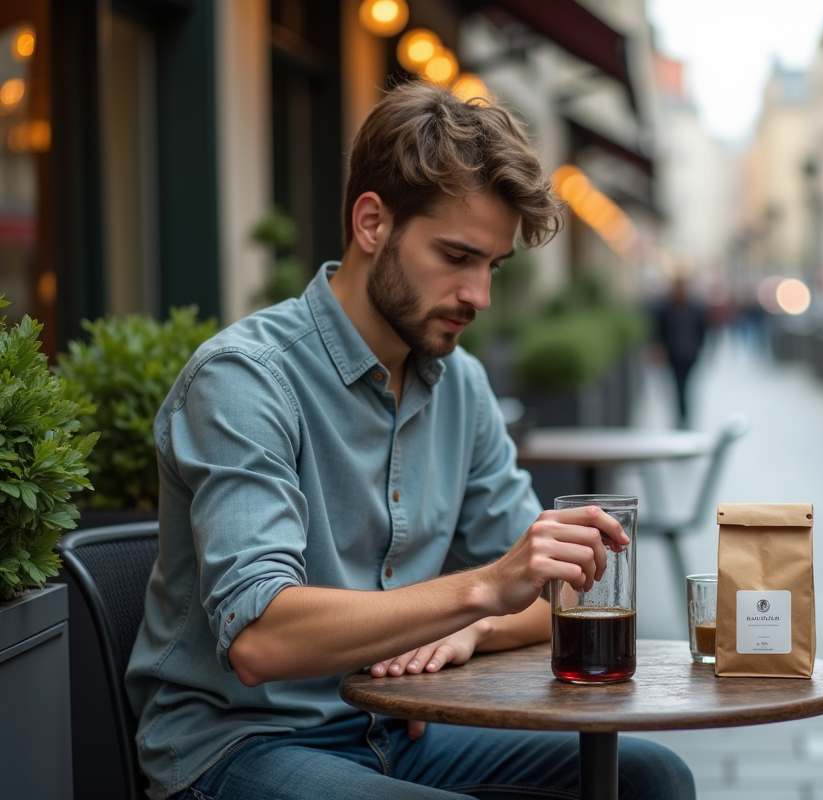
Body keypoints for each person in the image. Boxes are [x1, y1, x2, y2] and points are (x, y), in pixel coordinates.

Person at [125, 82, 695, 800]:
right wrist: (481, 590)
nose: (479, 296)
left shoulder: (463, 386)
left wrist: (474, 629)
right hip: (244, 743)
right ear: (372, 223)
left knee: (652, 777)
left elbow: (546, 594)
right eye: (456, 256)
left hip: (403, 729)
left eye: (492, 266)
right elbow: (260, 639)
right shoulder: (245, 379)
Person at [653, 275, 708, 428]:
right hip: (675, 355)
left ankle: (683, 417)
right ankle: (682, 417)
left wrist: (698, 348)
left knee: (685, 387)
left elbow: (702, 330)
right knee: (679, 387)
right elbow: (660, 331)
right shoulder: (667, 309)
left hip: (689, 355)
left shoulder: (693, 308)